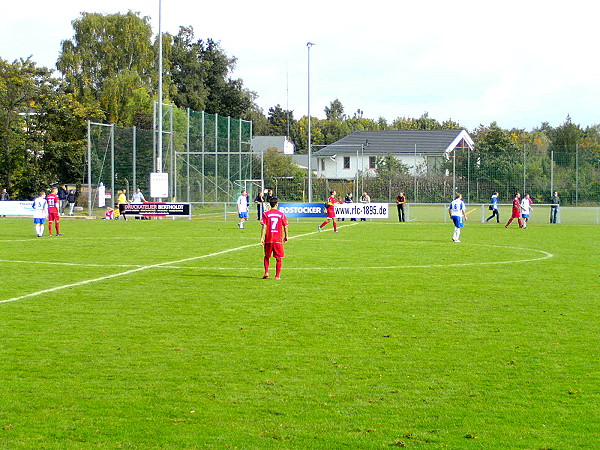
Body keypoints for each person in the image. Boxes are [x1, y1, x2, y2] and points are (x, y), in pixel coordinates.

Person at [260, 197, 288, 280]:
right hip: (278, 240)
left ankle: (266, 272)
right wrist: (286, 236)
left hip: (268, 238)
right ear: (277, 204)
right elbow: (285, 226)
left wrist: (262, 238)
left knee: (266, 256)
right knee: (278, 258)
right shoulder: (281, 214)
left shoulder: (265, 214)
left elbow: (264, 226)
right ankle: (277, 276)